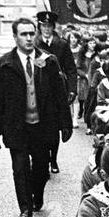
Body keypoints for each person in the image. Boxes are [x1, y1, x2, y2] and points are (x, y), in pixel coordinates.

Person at [0, 17, 73, 217]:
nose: (28, 38)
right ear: (15, 37)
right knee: (20, 169)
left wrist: (65, 123)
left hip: (43, 126)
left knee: (41, 168)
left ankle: (37, 196)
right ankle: (25, 208)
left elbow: (59, 95)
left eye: (31, 33)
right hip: (16, 127)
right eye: (23, 34)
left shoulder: (49, 61)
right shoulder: (3, 64)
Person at [35, 10, 77, 176]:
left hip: (56, 92)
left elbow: (71, 69)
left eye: (49, 26)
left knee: (53, 129)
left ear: (53, 27)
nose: (46, 29)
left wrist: (72, 89)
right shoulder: (34, 43)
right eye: (44, 25)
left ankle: (53, 158)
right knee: (39, 128)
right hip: (37, 92)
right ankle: (41, 159)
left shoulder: (62, 44)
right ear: (40, 26)